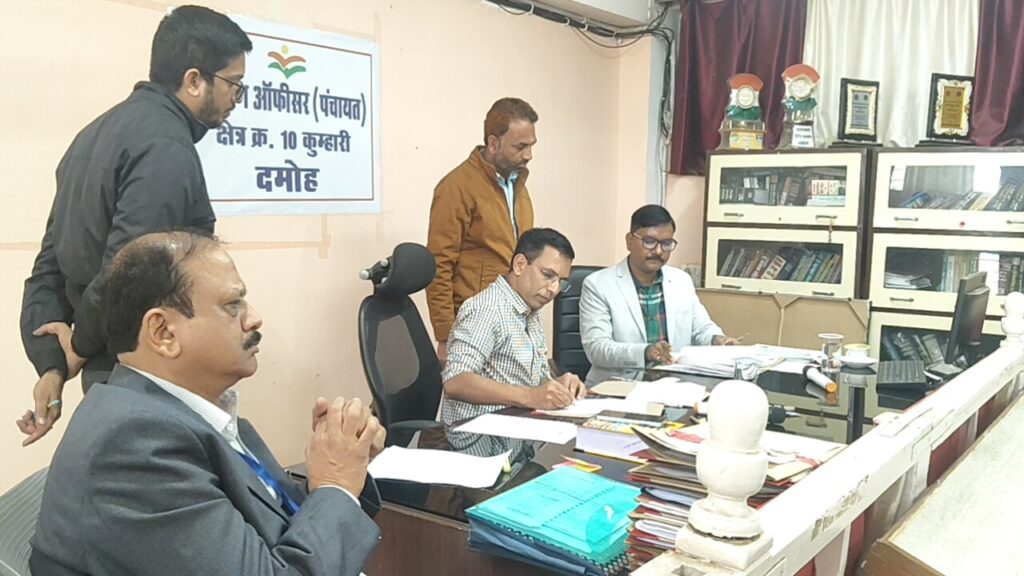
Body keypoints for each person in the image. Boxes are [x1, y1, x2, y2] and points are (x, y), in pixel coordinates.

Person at [30, 231, 384, 576]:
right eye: (233, 305)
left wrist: (344, 461)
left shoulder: (177, 414)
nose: (254, 318)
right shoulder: (134, 445)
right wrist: (336, 484)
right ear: (164, 333)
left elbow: (278, 518)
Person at [17, 5, 252, 446]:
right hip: (146, 378)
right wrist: (75, 350)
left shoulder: (90, 136)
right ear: (194, 80)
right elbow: (129, 271)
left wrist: (53, 363)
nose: (236, 99)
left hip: (110, 377)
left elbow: (49, 265)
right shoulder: (165, 146)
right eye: (234, 84)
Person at [440, 228, 586, 453]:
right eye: (547, 275)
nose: (554, 289)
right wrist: (530, 396)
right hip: (480, 444)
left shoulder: (528, 310)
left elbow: (525, 375)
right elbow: (456, 381)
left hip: (517, 433)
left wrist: (558, 384)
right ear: (519, 265)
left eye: (561, 281)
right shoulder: (487, 310)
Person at [426, 97, 538, 367]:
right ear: (493, 143)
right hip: (474, 325)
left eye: (531, 146)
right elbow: (439, 265)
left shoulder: (518, 185)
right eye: (520, 147)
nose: (528, 155)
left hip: (514, 320)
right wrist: (445, 335)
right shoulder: (457, 188)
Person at [580, 205, 739, 386]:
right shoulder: (598, 285)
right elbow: (597, 348)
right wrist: (646, 352)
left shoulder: (681, 281)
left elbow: (701, 328)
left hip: (673, 385)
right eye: (649, 241)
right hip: (617, 387)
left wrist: (717, 340)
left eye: (666, 243)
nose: (658, 251)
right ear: (629, 241)